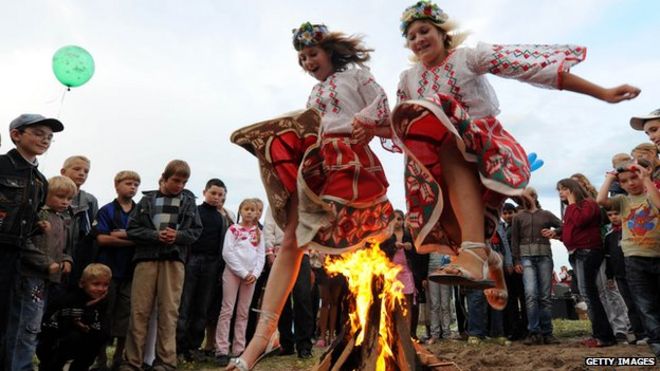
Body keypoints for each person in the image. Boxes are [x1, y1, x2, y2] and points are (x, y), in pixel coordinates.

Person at [390, 0, 640, 311]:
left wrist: (600, 92)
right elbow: (400, 126)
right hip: (446, 169)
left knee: (449, 145)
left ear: (443, 33)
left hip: (486, 152)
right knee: (452, 233)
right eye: (411, 37)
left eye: (424, 31)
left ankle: (474, 252)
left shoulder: (469, 57)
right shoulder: (409, 79)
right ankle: (489, 260)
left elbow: (532, 70)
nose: (418, 40)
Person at [228, 22, 394, 370]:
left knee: (369, 240)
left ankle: (376, 329)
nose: (307, 62)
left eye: (312, 54)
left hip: (349, 160)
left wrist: (366, 127)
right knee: (292, 241)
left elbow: (385, 116)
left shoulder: (358, 76)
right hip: (316, 163)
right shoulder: (314, 94)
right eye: (302, 58)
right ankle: (261, 340)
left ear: (329, 52)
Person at [120, 160, 203, 371]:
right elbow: (132, 229)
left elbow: (195, 232)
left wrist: (178, 236)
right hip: (146, 259)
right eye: (176, 180)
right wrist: (156, 236)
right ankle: (132, 362)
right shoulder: (147, 200)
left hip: (174, 261)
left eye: (184, 182)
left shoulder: (188, 202)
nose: (180, 185)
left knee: (169, 312)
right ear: (164, 178)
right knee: (139, 311)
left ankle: (166, 362)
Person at [0, 114, 63, 366]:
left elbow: (25, 221)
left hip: (15, 258)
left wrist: (38, 226)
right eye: (38, 133)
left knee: (6, 319)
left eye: (49, 137)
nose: (45, 140)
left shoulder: (40, 181)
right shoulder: (2, 165)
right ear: (16, 135)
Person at [4, 176, 76, 370]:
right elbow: (24, 242)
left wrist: (66, 260)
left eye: (69, 198)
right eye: (60, 196)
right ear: (45, 194)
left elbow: (64, 246)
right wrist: (46, 263)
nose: (65, 202)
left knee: (35, 325)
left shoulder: (63, 218)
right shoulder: (38, 216)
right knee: (25, 326)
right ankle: (18, 366)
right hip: (29, 277)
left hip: (48, 280)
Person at [597, 161, 660, 357]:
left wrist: (646, 178)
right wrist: (610, 176)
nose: (631, 183)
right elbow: (600, 200)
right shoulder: (622, 201)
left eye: (634, 177)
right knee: (645, 305)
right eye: (625, 181)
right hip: (633, 259)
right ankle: (658, 345)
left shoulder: (651, 195)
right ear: (620, 185)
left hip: (656, 255)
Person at [555, 178, 615, 347]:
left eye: (563, 189)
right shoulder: (570, 208)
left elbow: (582, 220)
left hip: (587, 251)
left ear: (572, 189)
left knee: (589, 294)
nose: (560, 192)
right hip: (576, 252)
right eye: (559, 190)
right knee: (588, 294)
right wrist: (559, 235)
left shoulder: (589, 203)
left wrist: (572, 202)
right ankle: (600, 334)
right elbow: (573, 228)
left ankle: (603, 336)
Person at [92, 170, 141, 370]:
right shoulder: (106, 210)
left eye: (136, 184)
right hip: (108, 271)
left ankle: (119, 358)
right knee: (104, 314)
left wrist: (123, 237)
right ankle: (100, 359)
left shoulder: (141, 212)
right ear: (117, 185)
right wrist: (132, 240)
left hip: (131, 272)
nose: (132, 187)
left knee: (125, 316)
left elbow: (144, 237)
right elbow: (102, 238)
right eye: (128, 183)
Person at [176, 178, 227, 361]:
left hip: (212, 264)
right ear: (205, 192)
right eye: (213, 193)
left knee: (202, 307)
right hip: (192, 261)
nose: (216, 197)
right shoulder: (194, 212)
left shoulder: (222, 219)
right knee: (185, 304)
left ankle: (194, 347)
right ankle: (179, 347)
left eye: (220, 195)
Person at [215, 198, 266, 366]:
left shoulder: (259, 233)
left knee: (243, 312)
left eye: (253, 209)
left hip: (250, 277)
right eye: (247, 209)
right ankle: (222, 349)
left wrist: (255, 274)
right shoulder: (233, 229)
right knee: (227, 310)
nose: (250, 212)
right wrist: (242, 272)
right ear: (241, 210)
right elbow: (227, 253)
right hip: (232, 273)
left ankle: (239, 349)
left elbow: (260, 256)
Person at [510, 187, 562, 345]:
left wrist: (555, 231)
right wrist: (517, 261)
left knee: (545, 296)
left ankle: (547, 332)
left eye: (525, 197)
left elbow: (564, 225)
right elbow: (514, 240)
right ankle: (534, 332)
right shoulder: (518, 217)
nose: (523, 200)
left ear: (533, 196)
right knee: (531, 295)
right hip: (526, 258)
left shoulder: (545, 214)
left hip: (544, 256)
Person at [36, 263, 111, 371]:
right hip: (55, 344)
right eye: (96, 284)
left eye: (105, 285)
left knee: (100, 335)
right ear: (82, 283)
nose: (101, 289)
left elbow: (103, 329)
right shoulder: (69, 300)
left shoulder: (103, 302)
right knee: (73, 338)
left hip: (82, 343)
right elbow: (51, 327)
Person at [602, 209, 646, 344]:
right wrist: (609, 276)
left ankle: (651, 332)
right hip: (620, 275)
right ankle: (640, 334)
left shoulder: (633, 230)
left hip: (636, 272)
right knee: (630, 305)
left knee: (643, 304)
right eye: (610, 215)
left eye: (616, 213)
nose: (613, 217)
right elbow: (608, 258)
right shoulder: (609, 237)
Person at [60, 155, 99, 286]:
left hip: (80, 256)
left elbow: (94, 231)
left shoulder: (90, 200)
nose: (82, 173)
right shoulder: (50, 193)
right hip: (56, 256)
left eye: (86, 171)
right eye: (77, 169)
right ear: (63, 172)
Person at [380, 210, 418, 338]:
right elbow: (381, 250)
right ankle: (393, 332)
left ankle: (407, 333)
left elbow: (417, 252)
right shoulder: (387, 235)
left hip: (407, 271)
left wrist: (410, 247)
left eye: (400, 219)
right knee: (392, 302)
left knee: (408, 302)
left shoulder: (409, 235)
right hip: (392, 272)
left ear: (403, 221)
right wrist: (394, 246)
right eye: (395, 219)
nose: (397, 221)